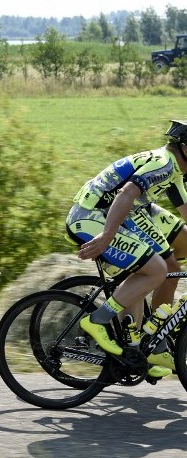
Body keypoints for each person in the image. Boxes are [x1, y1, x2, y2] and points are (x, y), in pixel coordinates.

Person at [67, 119, 187, 378]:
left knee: (165, 266)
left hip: (123, 214)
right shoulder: (164, 164)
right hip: (91, 216)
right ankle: (97, 320)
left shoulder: (175, 168)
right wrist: (107, 236)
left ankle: (143, 347)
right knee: (156, 270)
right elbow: (125, 194)